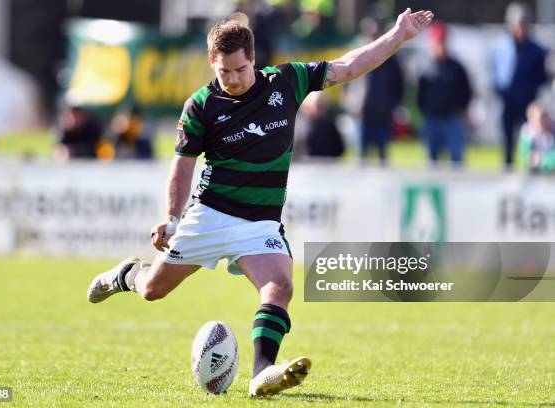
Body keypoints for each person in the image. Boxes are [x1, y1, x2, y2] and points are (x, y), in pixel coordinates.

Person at [86, 9, 433, 397]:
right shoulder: (201, 106)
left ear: (253, 58)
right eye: (224, 72)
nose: (232, 79)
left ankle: (263, 372)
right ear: (211, 64)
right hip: (210, 214)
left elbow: (349, 67)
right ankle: (126, 274)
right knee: (152, 288)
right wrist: (171, 216)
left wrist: (398, 35)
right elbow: (182, 167)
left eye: (240, 69)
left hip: (260, 223)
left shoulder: (286, 82)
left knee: (280, 285)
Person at [492, 3, 548, 169]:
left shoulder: (537, 50)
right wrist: (499, 89)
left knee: (530, 142)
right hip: (507, 103)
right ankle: (507, 173)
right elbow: (495, 72)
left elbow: (542, 77)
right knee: (507, 143)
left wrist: (529, 89)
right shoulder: (501, 47)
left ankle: (529, 171)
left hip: (527, 104)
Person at [418, 22, 472, 166]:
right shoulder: (425, 67)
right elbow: (419, 94)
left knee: (456, 161)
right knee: (431, 162)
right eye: (437, 42)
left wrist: (461, 110)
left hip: (452, 120)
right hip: (431, 119)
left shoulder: (457, 67)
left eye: (442, 42)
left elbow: (467, 92)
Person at [358, 17, 404, 165]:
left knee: (383, 159)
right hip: (363, 115)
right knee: (362, 158)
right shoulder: (358, 56)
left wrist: (393, 105)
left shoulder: (391, 60)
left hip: (383, 116)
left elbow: (399, 84)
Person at [518, 103, 555, 172]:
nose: (542, 122)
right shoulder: (528, 132)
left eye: (544, 118)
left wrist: (542, 160)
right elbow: (524, 157)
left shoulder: (552, 130)